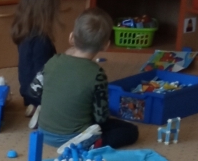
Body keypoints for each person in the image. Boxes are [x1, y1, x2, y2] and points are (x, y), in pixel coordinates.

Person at [34, 8, 139, 149]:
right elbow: (101, 118)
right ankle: (93, 144)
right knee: (131, 131)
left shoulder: (53, 60)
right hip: (75, 138)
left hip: (43, 133)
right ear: (106, 45)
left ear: (71, 37)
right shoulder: (97, 74)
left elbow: (34, 90)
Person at [11, 0, 60, 112]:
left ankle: (34, 106)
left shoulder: (25, 33)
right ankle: (41, 108)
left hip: (27, 92)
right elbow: (43, 74)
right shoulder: (41, 41)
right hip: (40, 95)